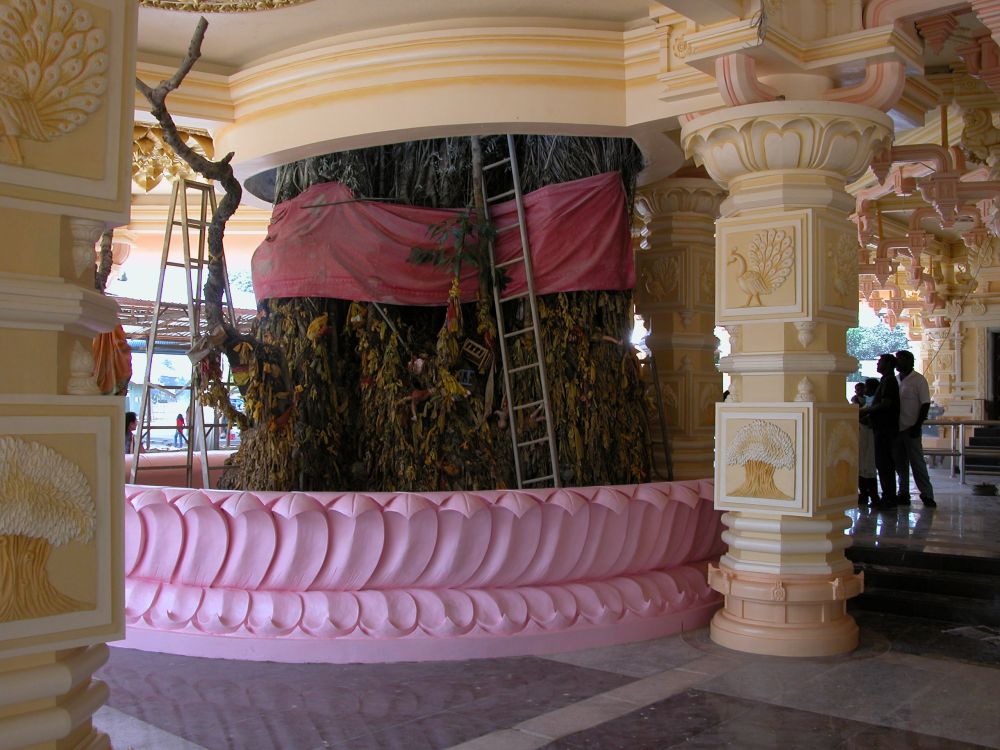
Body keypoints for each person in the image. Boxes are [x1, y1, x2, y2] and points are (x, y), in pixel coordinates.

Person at [894, 350, 936, 507]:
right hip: (897, 428)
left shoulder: (918, 380)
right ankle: (903, 493)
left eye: (900, 360)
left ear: (909, 362)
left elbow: (925, 403)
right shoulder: (895, 380)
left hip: (911, 427)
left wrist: (918, 425)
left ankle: (927, 494)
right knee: (900, 464)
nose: (897, 363)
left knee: (917, 462)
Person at [860, 354, 900, 510]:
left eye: (880, 362)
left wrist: (865, 412)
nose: (878, 364)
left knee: (885, 465)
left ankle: (889, 498)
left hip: (885, 429)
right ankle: (888, 496)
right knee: (883, 464)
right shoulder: (885, 380)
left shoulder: (889, 381)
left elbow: (886, 404)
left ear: (888, 364)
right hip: (880, 427)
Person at [855, 378, 879, 506]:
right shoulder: (867, 401)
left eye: (867, 387)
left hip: (869, 437)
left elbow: (868, 418)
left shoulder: (873, 402)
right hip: (863, 437)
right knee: (863, 467)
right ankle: (864, 494)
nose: (865, 390)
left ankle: (872, 496)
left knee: (868, 467)